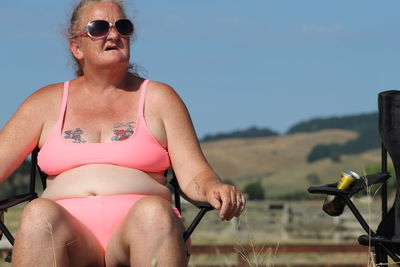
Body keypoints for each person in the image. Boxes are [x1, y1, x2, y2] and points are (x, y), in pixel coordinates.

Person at [0, 0, 246, 266]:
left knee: (153, 212)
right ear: (76, 46)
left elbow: (196, 174)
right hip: (68, 237)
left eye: (123, 27)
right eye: (99, 27)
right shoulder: (44, 102)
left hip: (140, 231)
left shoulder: (159, 98)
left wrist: (213, 188)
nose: (114, 34)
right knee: (38, 214)